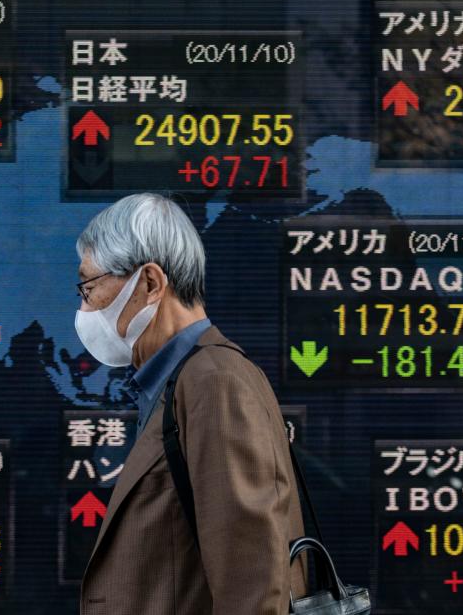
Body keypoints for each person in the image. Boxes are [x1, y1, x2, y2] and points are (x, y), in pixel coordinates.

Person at [75, 193, 308, 614]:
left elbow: (252, 584)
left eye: (90, 287)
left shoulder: (214, 381)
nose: (84, 307)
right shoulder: (182, 379)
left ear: (149, 283)